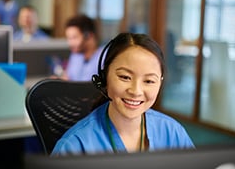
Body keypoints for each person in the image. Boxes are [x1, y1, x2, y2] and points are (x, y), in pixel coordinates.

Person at [51, 33, 195, 156]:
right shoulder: (75, 146)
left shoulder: (172, 132)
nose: (136, 91)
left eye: (149, 81)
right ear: (105, 77)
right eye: (125, 77)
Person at [61, 14, 103, 81]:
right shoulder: (75, 55)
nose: (70, 43)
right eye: (68, 38)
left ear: (89, 35)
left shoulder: (105, 58)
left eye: (74, 37)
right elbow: (68, 78)